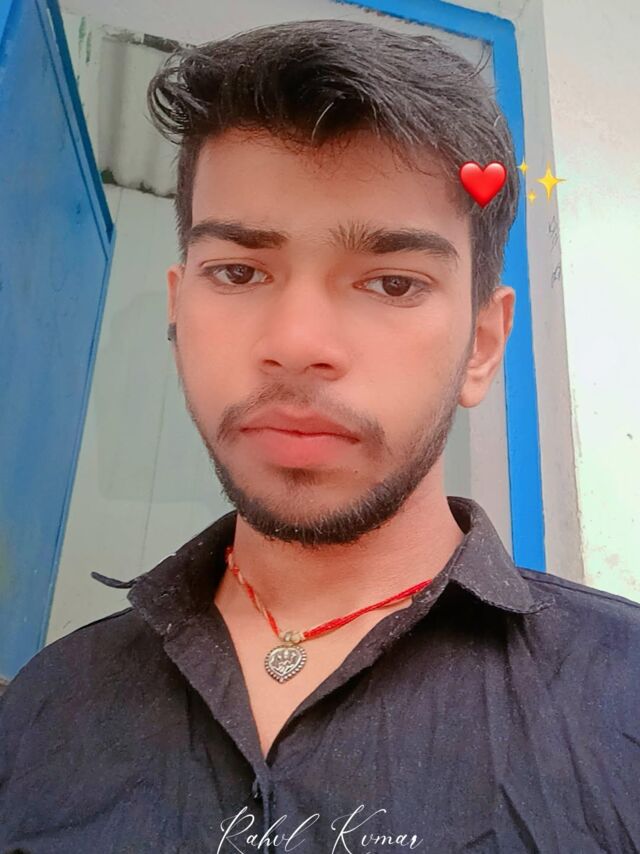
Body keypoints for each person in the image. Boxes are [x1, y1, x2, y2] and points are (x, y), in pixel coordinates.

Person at [1, 18, 639, 854]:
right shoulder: (44, 704)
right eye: (237, 272)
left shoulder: (624, 698)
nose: (297, 343)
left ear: (483, 346)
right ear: (178, 308)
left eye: (392, 283)